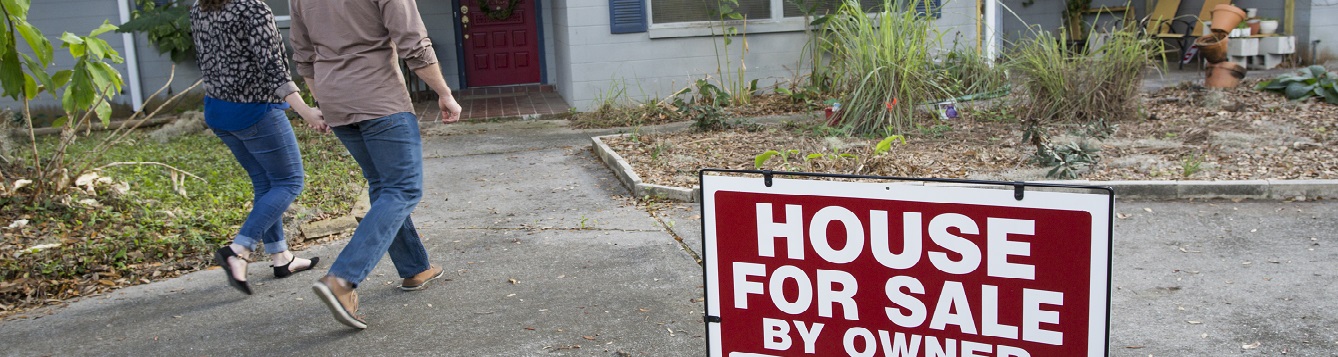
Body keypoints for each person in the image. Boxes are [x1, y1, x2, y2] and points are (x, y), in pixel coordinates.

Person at [289, 0, 463, 329]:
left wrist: (322, 99)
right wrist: (443, 92)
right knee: (403, 188)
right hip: (379, 99)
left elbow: (303, 54)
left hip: (335, 100)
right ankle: (342, 279)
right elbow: (413, 41)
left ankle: (414, 267)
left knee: (383, 185)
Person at [190, 0, 328, 295]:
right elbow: (274, 69)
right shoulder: (251, 8)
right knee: (289, 181)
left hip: (217, 111)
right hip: (254, 112)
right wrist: (304, 109)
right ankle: (238, 250)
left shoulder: (200, 7)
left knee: (266, 183)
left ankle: (281, 257)